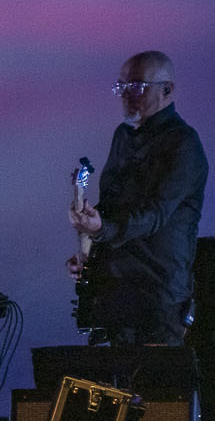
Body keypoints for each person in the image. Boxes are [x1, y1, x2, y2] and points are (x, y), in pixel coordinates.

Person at [68, 51, 207, 346]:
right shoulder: (123, 136)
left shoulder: (183, 143)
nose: (126, 96)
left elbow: (155, 214)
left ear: (167, 89)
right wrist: (91, 251)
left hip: (157, 299)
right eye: (122, 88)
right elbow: (113, 206)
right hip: (115, 295)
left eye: (137, 88)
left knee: (160, 390)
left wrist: (101, 228)